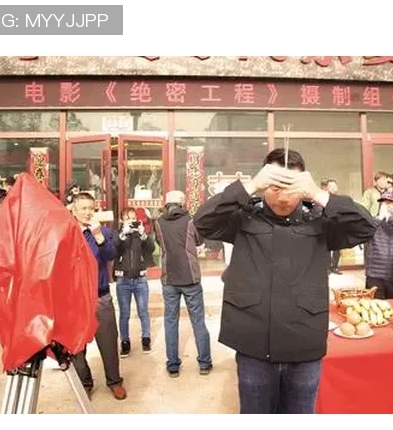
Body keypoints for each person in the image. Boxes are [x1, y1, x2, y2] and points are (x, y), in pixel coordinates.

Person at [193, 148, 376, 414]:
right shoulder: (244, 217)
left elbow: (367, 227)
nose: (282, 197)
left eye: (291, 187)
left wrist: (318, 194)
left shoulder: (320, 221)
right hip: (254, 344)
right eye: (274, 186)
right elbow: (202, 222)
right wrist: (250, 186)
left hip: (304, 346)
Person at [70, 192, 127, 400]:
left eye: (90, 208)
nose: (87, 212)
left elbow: (112, 255)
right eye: (83, 208)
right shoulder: (67, 233)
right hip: (75, 299)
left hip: (100, 296)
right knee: (76, 346)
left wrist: (99, 237)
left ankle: (114, 381)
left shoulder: (103, 231)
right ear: (74, 211)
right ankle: (84, 382)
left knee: (109, 342)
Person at [154, 190, 212, 377]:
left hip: (169, 277)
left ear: (166, 203)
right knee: (198, 321)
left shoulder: (158, 222)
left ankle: (173, 366)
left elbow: (160, 242)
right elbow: (199, 240)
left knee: (170, 322)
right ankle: (204, 364)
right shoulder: (190, 221)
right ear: (182, 203)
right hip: (190, 278)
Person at [114, 207, 155, 357]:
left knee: (143, 311)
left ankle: (146, 339)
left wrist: (144, 234)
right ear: (121, 220)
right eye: (127, 219)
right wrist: (123, 234)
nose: (131, 222)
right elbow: (113, 249)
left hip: (140, 278)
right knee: (124, 313)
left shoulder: (139, 234)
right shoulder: (117, 234)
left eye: (133, 219)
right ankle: (125, 342)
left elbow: (151, 249)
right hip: (123, 279)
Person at [364, 189, 393, 299]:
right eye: (384, 202)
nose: (386, 205)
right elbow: (365, 232)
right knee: (374, 305)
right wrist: (380, 218)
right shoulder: (373, 221)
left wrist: (391, 218)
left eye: (390, 203)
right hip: (375, 274)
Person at [321, 178, 342, 274]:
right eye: (331, 186)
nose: (334, 188)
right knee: (326, 248)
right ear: (326, 188)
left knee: (337, 247)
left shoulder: (340, 199)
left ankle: (335, 266)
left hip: (337, 224)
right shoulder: (323, 198)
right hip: (326, 224)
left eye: (335, 186)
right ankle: (327, 267)